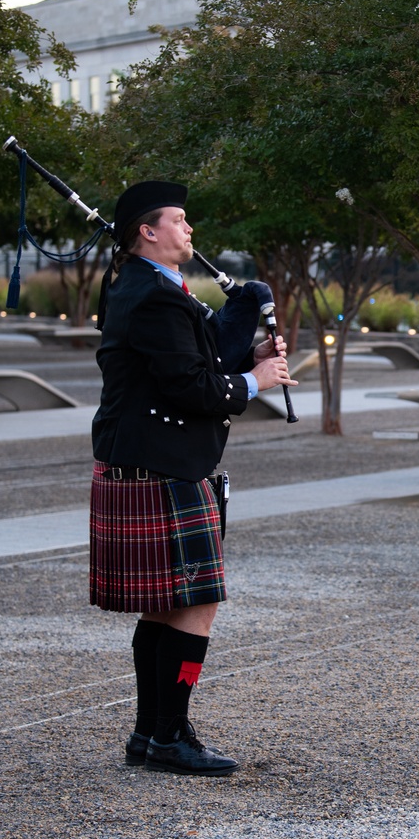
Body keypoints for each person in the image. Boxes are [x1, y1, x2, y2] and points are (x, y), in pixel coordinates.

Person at [89, 180, 295, 775]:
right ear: (147, 232)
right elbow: (195, 389)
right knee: (196, 604)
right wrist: (257, 381)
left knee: (162, 607)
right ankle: (170, 734)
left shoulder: (147, 286)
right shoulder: (153, 295)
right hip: (163, 468)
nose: (189, 229)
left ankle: (150, 733)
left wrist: (244, 343)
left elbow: (191, 367)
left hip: (153, 463)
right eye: (179, 220)